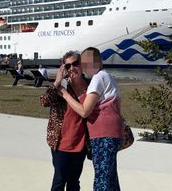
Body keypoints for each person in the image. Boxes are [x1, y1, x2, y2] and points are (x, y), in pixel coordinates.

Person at [60, 47, 123, 191]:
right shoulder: (107, 76)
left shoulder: (98, 78)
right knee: (110, 178)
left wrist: (64, 93)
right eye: (84, 63)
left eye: (90, 62)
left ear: (99, 61)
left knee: (102, 179)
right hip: (112, 133)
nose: (87, 66)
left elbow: (84, 111)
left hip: (103, 134)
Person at [40, 51, 89, 191]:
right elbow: (44, 101)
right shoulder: (61, 88)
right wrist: (57, 81)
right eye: (67, 66)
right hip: (60, 144)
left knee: (74, 182)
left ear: (81, 65)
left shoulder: (91, 87)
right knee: (59, 181)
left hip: (80, 145)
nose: (72, 68)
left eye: (75, 64)